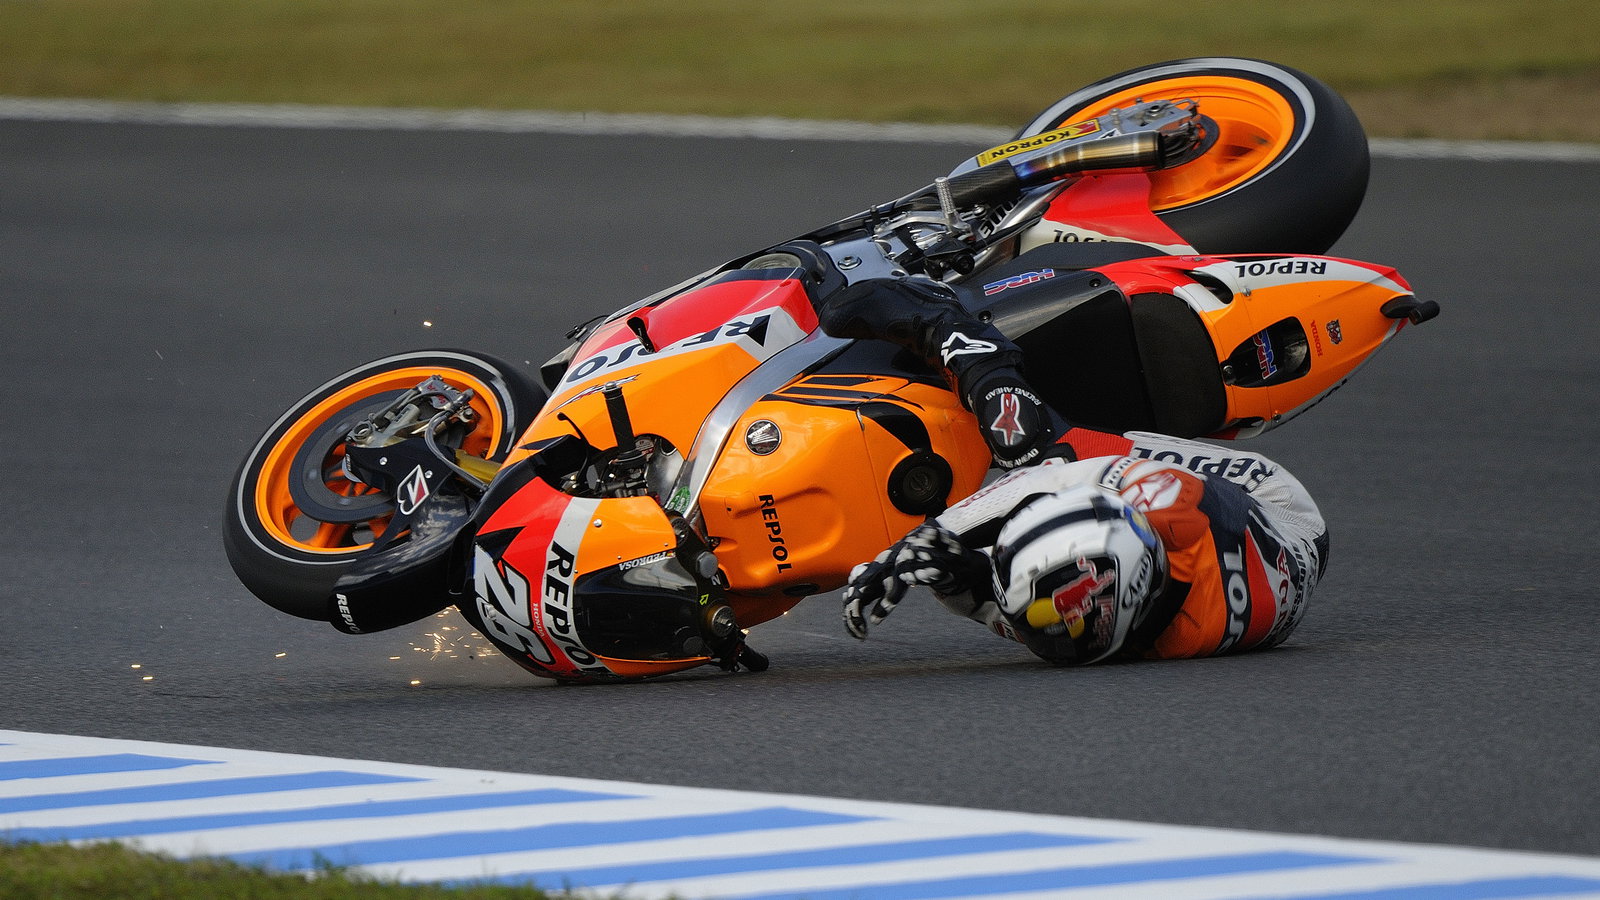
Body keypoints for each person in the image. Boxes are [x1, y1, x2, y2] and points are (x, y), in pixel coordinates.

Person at [819, 275, 1327, 665]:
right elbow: (1045, 481)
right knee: (1040, 451)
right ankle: (949, 327)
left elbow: (1035, 618)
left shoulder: (1112, 636)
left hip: (1226, 570)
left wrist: (964, 582)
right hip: (1274, 505)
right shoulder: (1171, 509)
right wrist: (928, 536)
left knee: (976, 561)